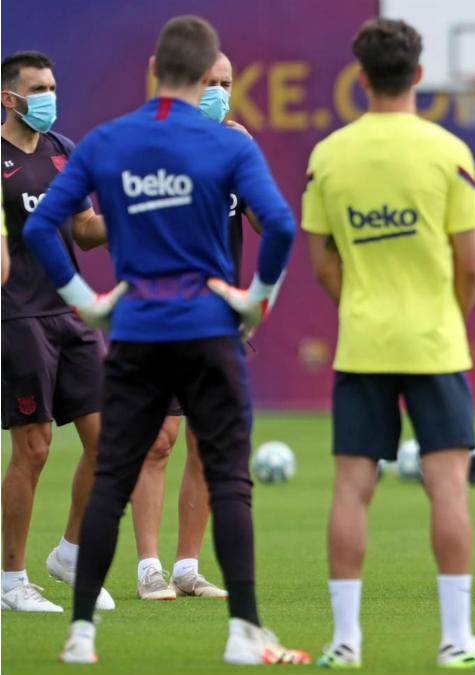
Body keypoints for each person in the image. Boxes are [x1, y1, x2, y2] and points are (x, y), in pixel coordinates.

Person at [22, 15, 306, 664]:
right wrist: (254, 298)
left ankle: (81, 632)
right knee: (232, 479)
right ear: (204, 71)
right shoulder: (230, 146)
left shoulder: (107, 140)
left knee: (112, 476)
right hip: (210, 328)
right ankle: (243, 632)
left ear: (153, 68)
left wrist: (86, 303)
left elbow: (43, 228)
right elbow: (283, 228)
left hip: (136, 329)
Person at [303, 18, 475, 669]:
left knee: (350, 487)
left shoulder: (328, 155)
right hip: (434, 341)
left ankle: (344, 642)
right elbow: (472, 263)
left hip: (362, 340)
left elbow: (322, 262)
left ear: (359, 78)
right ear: (419, 76)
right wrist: (444, 317)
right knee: (448, 485)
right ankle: (456, 641)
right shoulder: (448, 151)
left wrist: (361, 307)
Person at [128, 51, 258, 602]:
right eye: (211, 83)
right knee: (159, 439)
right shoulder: (149, 142)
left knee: (208, 444)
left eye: (227, 83)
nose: (220, 93)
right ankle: (149, 567)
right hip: (159, 314)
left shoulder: (236, 145)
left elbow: (261, 220)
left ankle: (187, 565)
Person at [1, 50, 116, 613]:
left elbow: (87, 231)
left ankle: (70, 553)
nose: (48, 97)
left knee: (108, 439)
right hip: (16, 315)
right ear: (9, 99)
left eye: (51, 86)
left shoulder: (63, 152)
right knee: (35, 447)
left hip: (70, 312)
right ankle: (10, 580)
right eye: (37, 89)